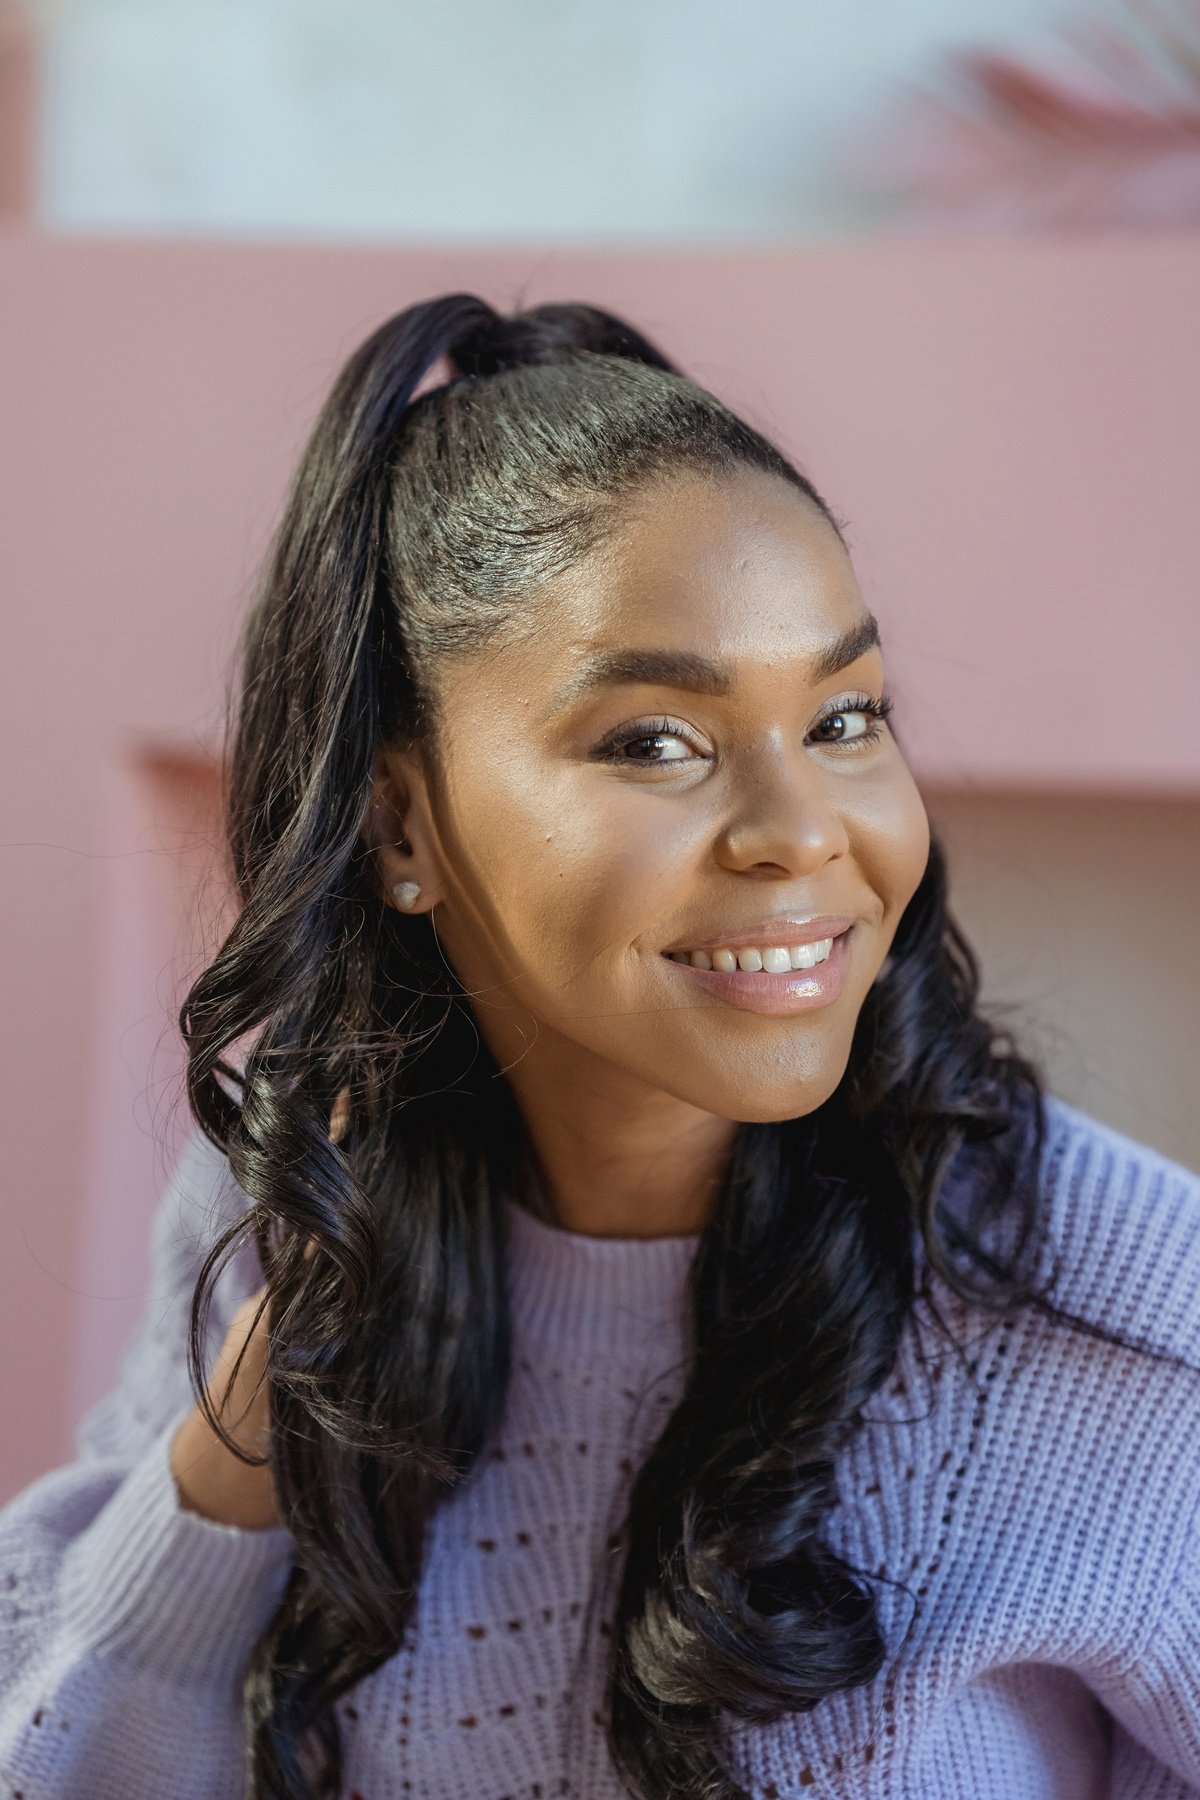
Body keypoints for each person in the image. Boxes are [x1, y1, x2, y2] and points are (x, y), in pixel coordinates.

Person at [1, 294, 1198, 1800]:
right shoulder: (285, 1214)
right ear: (401, 826)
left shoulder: (1124, 1310)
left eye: (846, 717)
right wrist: (253, 1434)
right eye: (657, 742)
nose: (799, 831)